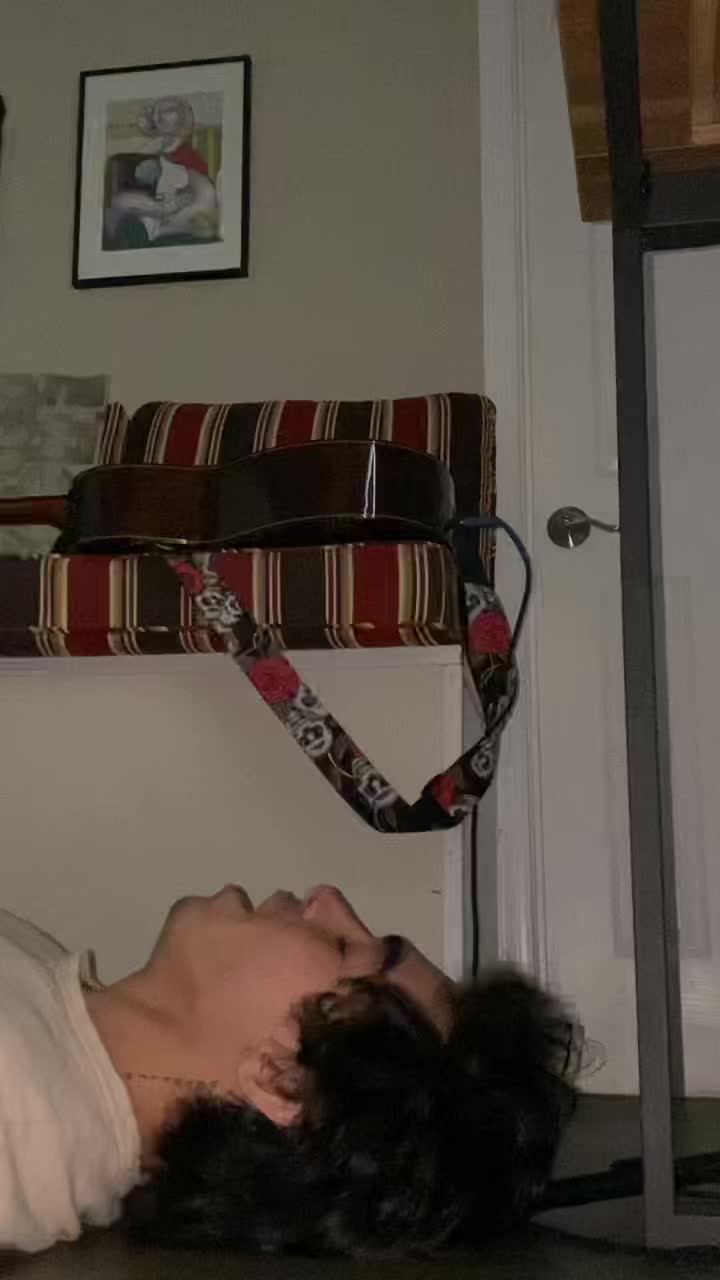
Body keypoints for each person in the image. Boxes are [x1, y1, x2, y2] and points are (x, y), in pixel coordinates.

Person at [0, 884, 578, 1256]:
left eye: (344, 948)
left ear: (283, 1081)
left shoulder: (17, 1119)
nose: (327, 900)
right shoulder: (46, 1008)